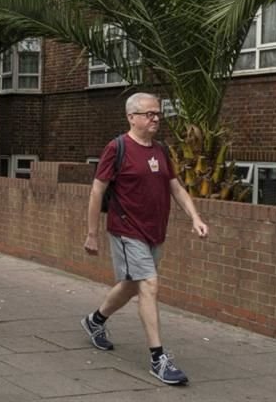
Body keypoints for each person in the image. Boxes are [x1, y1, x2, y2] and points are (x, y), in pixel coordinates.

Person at [82, 92, 209, 386]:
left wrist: (195, 217)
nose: (155, 119)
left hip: (155, 231)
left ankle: (95, 320)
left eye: (158, 114)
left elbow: (175, 187)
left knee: (130, 285)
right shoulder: (117, 148)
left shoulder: (161, 150)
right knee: (149, 284)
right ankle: (158, 359)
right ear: (132, 117)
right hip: (127, 230)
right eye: (149, 114)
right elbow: (97, 191)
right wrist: (92, 233)